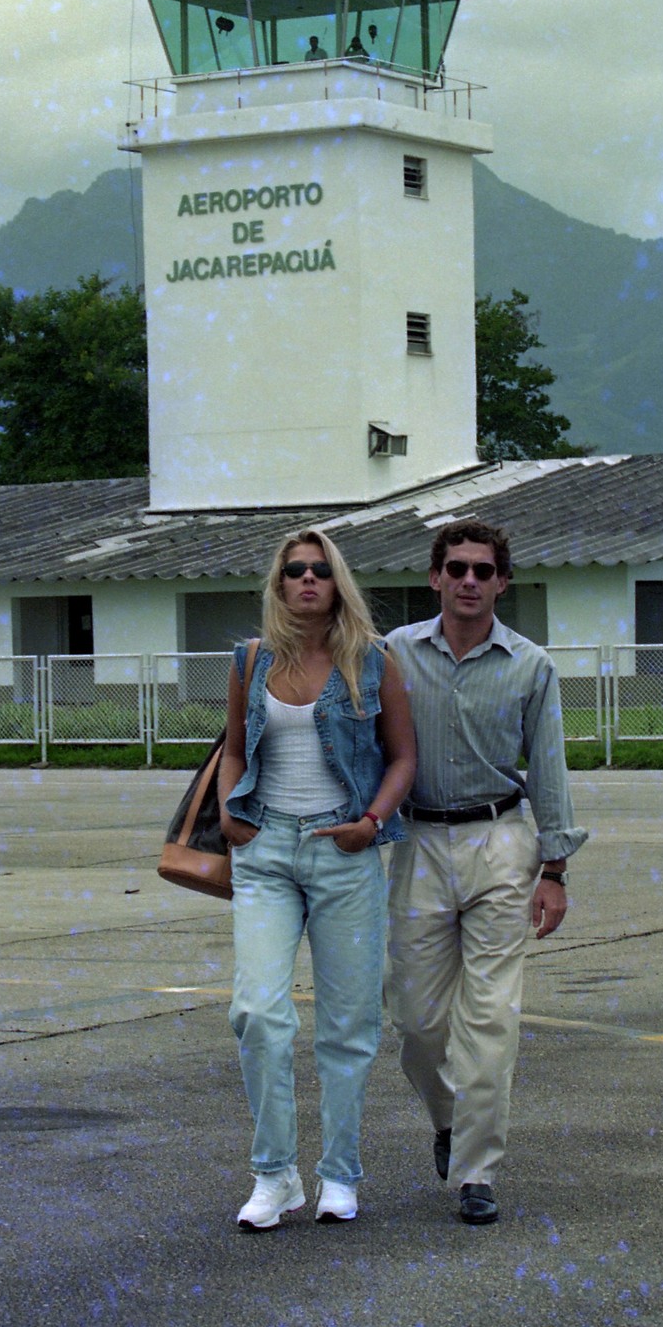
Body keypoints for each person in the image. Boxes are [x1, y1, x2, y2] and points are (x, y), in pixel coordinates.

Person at [386, 520, 586, 1226]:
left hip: (502, 841)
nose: (470, 581)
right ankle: (447, 1121)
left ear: (503, 582)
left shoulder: (531, 667)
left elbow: (550, 769)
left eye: (483, 570)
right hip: (419, 843)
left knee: (490, 1017)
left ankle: (476, 1170)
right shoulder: (395, 655)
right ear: (435, 577)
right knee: (417, 1020)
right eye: (457, 568)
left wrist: (554, 867)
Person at [219, 528, 416, 1231]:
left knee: (348, 1024)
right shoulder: (250, 660)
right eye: (294, 571)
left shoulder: (372, 660)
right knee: (258, 1014)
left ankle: (340, 1174)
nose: (307, 580)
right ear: (278, 584)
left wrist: (371, 820)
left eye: (320, 570)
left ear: (338, 584)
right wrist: (228, 812)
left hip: (344, 849)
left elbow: (402, 757)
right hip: (265, 849)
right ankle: (274, 1175)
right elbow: (234, 753)